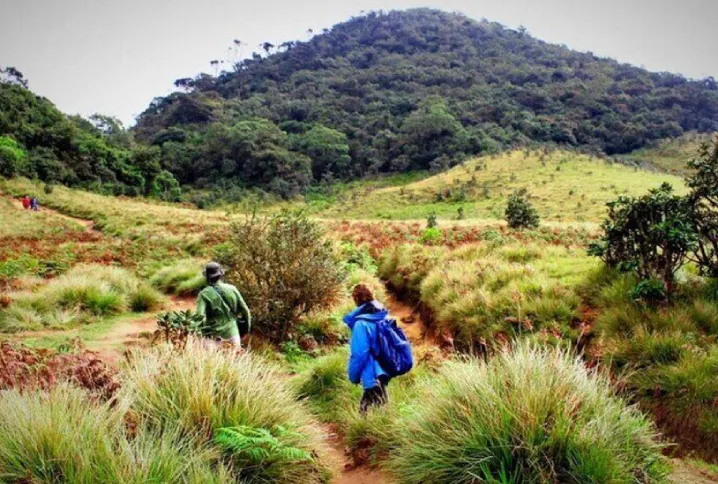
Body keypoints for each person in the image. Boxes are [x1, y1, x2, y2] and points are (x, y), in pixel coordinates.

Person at [343, 283, 390, 413]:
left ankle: (364, 431)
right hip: (385, 370)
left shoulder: (361, 324)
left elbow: (359, 355)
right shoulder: (385, 317)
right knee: (382, 407)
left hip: (371, 377)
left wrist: (353, 376)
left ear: (356, 300)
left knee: (367, 412)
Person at [195, 262, 251, 348]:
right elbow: (245, 310)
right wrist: (245, 330)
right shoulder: (232, 289)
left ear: (207, 277)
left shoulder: (203, 294)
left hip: (211, 337)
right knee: (233, 360)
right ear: (221, 275)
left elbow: (199, 316)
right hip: (232, 333)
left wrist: (199, 333)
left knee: (211, 361)